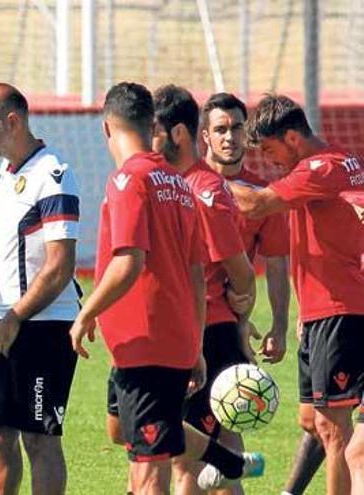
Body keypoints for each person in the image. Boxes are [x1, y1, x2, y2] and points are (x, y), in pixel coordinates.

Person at [70, 82, 264, 494]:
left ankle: (224, 461)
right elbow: (195, 273)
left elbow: (129, 261)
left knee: (150, 469)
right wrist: (193, 344)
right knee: (130, 432)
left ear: (108, 129)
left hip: (148, 341)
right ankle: (226, 460)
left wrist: (85, 314)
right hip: (165, 341)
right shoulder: (177, 185)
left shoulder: (130, 181)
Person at [229, 94, 364, 495]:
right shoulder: (337, 164)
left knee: (335, 431)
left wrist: (200, 178)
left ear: (292, 138)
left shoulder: (320, 168)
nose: (268, 160)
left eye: (269, 150)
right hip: (325, 312)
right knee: (314, 421)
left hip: (341, 312)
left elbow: (254, 205)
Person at [0, 83, 81, 494]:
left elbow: (59, 265)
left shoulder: (53, 174)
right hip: (7, 321)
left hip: (44, 326)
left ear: (12, 122)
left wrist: (15, 316)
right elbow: (17, 249)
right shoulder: (7, 171)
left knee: (40, 438)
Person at [198, 92, 323, 495]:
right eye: (220, 129)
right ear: (204, 136)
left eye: (236, 128)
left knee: (229, 431)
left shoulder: (260, 194)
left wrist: (280, 325)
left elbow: (276, 262)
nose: (229, 137)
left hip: (226, 327)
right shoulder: (184, 184)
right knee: (171, 443)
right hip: (184, 322)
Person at [152, 85, 257, 495]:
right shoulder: (164, 183)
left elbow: (242, 271)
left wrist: (240, 310)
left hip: (207, 334)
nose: (149, 139)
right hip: (177, 331)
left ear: (178, 133)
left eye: (154, 130)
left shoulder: (206, 190)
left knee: (188, 459)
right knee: (211, 449)